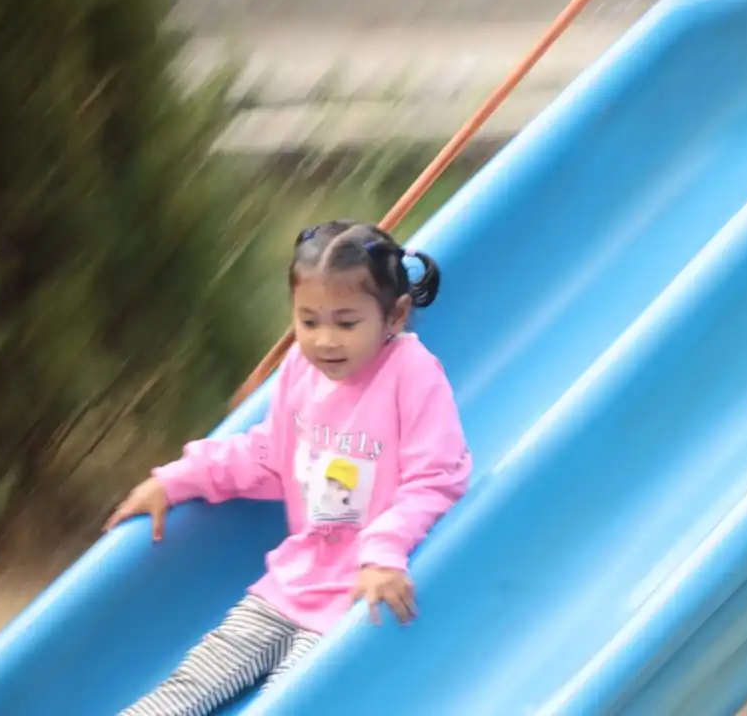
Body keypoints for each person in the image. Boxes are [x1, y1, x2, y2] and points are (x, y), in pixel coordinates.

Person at [105, 219, 473, 716]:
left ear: (396, 315)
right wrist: (176, 480)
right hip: (291, 582)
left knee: (286, 705)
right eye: (309, 321)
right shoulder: (300, 368)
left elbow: (435, 479)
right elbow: (269, 455)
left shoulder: (412, 374)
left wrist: (383, 553)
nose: (325, 340)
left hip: (357, 600)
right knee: (188, 687)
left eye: (346, 323)